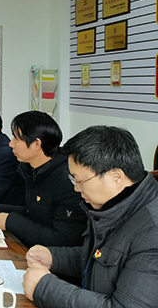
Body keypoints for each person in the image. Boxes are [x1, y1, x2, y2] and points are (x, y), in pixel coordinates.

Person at [23, 126, 158, 308]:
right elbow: (101, 258)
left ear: (116, 177)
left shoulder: (152, 232)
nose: (76, 188)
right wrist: (54, 257)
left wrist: (44, 288)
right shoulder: (115, 205)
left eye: (80, 180)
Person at [0, 111, 86, 248]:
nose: (11, 144)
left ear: (36, 144)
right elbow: (33, 212)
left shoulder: (67, 180)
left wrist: (10, 221)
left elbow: (62, 239)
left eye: (16, 138)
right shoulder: (31, 169)